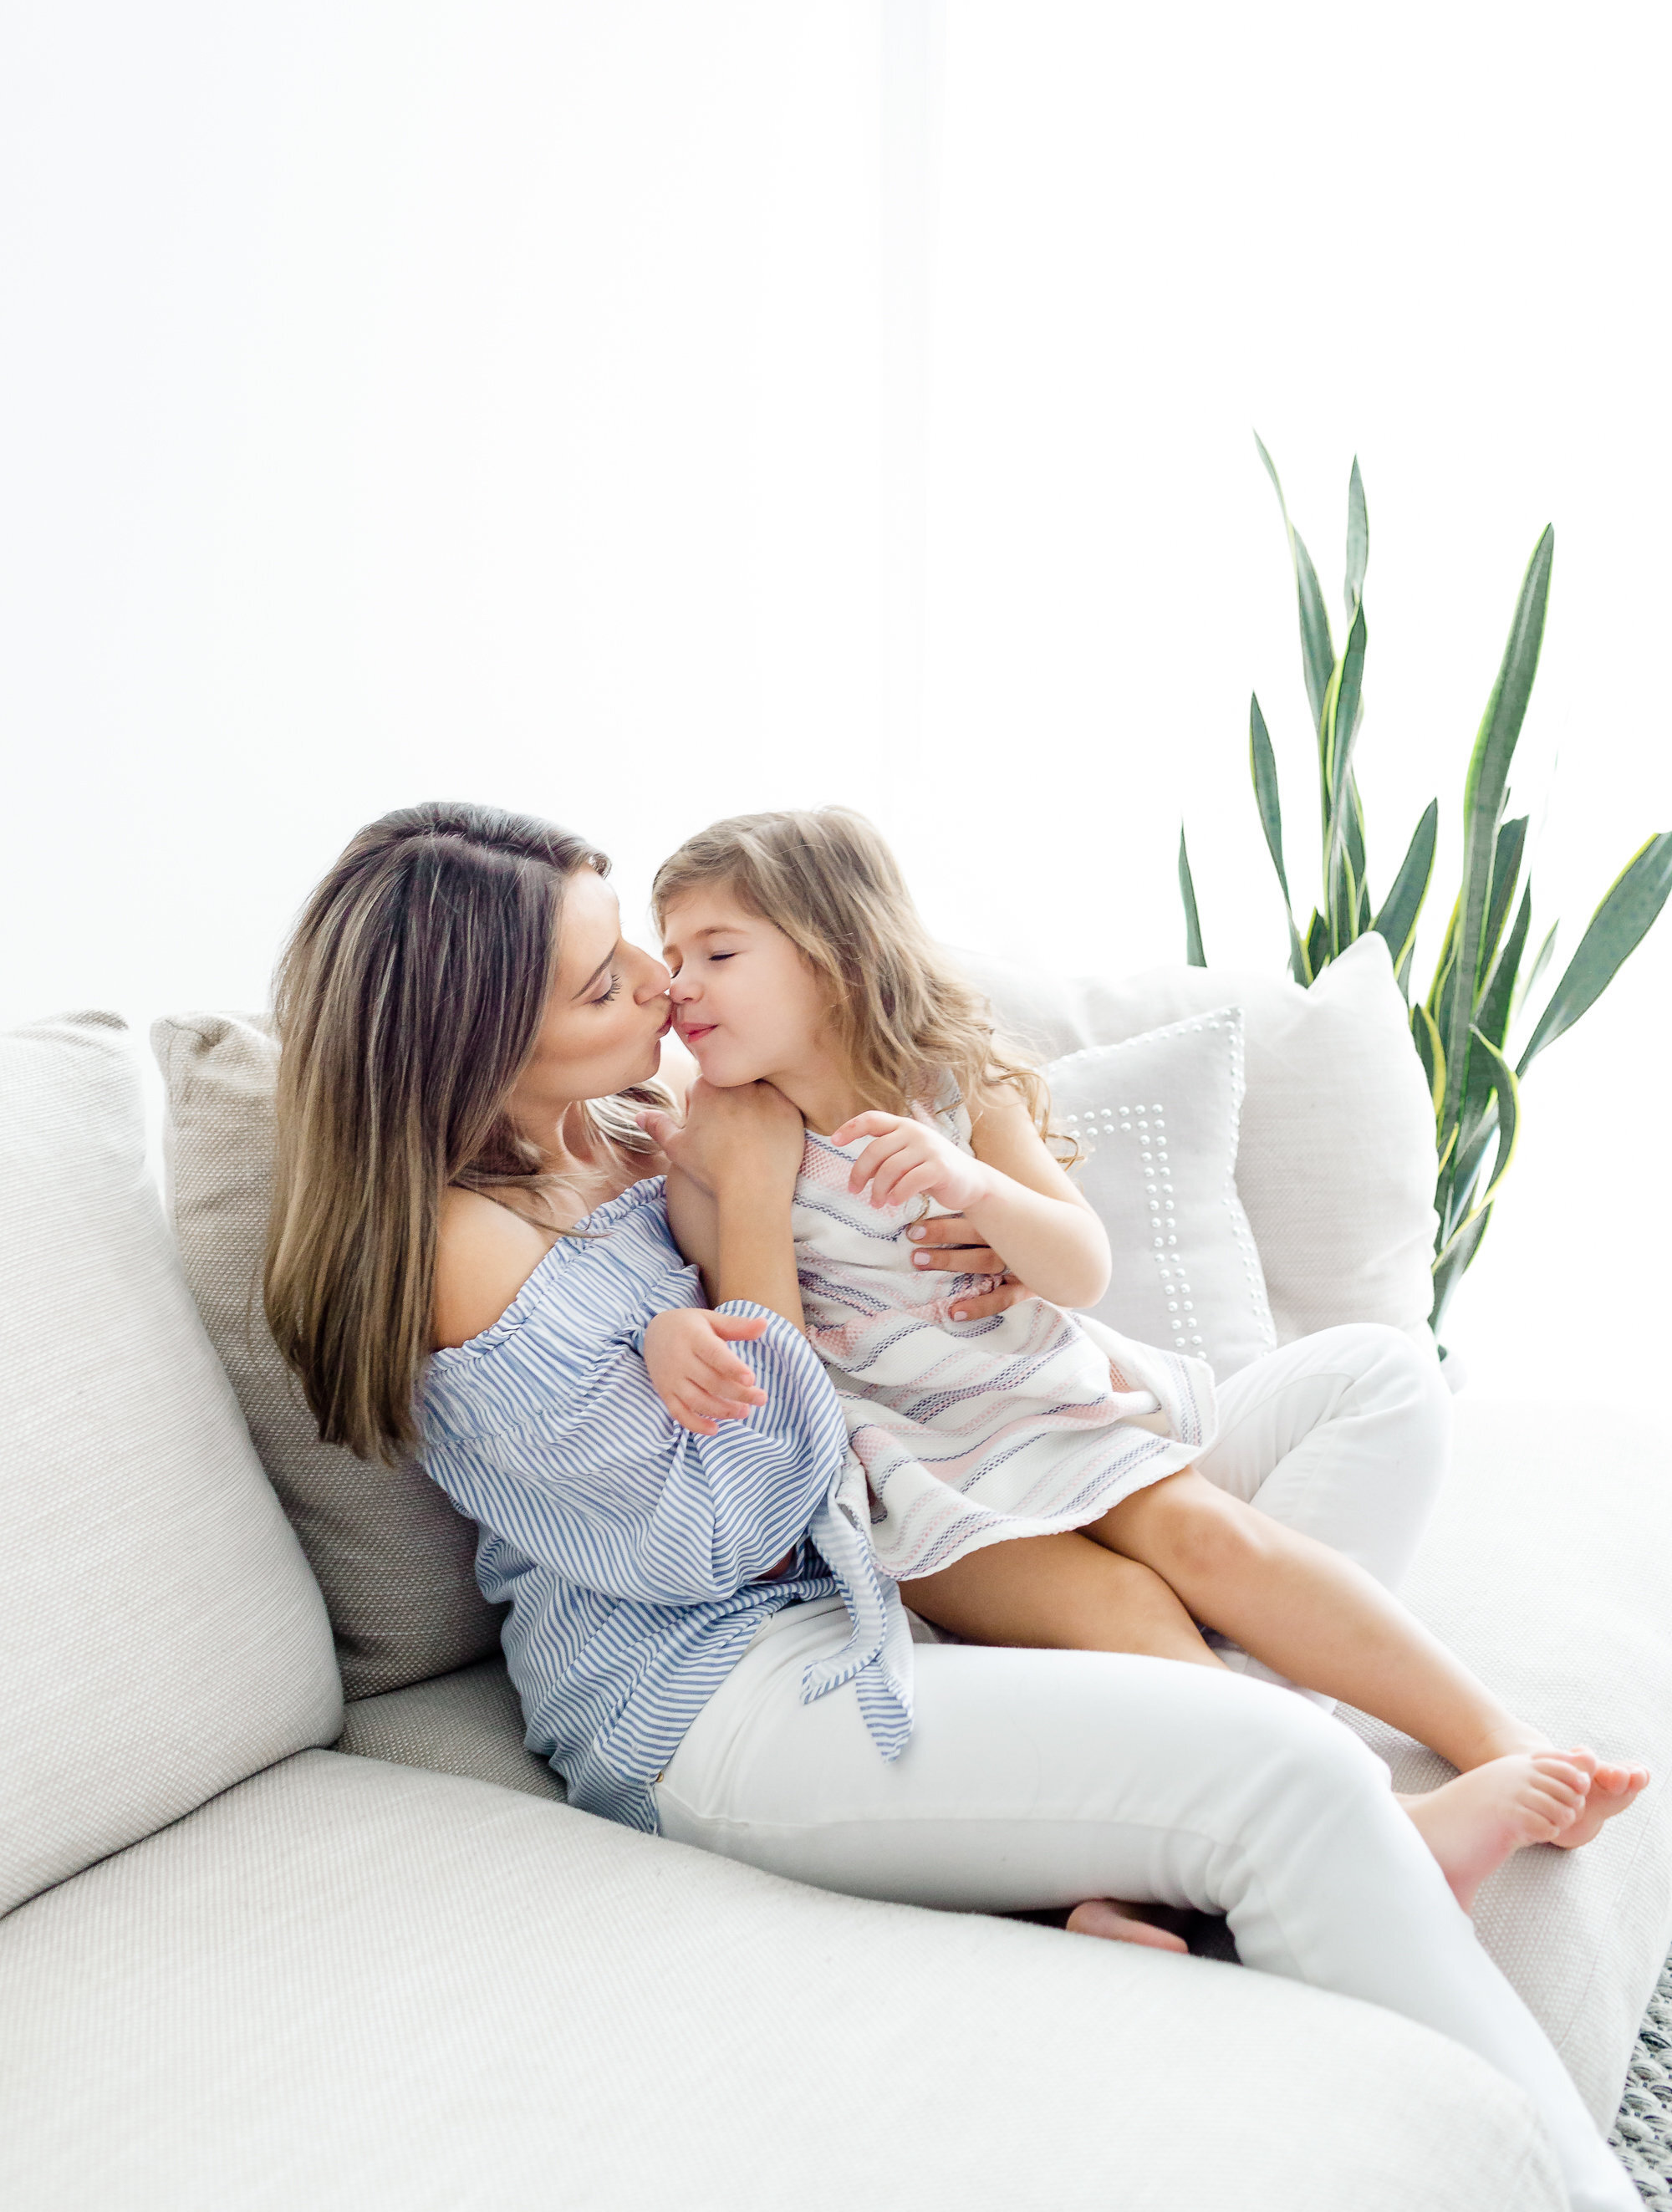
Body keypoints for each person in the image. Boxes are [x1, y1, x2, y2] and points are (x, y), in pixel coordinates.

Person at [265, 800, 1640, 2212]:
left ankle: (1124, 1830)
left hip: (902, 1525)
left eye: (643, 952)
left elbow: (882, 1139)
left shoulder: (606, 1124)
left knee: (1372, 1381)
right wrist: (750, 1206)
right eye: (608, 980)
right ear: (476, 1036)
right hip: (719, 1681)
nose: (657, 987)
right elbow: (726, 1531)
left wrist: (975, 1252)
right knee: (1282, 1773)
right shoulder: (464, 1251)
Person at [643, 805, 1645, 1919]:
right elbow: (773, 1382)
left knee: (1215, 1537)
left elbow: (1078, 1267)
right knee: (1119, 1606)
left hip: (1053, 1411)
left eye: (716, 953)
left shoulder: (954, 1086)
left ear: (836, 955)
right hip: (918, 1486)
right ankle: (1367, 1824)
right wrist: (752, 1180)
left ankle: (1500, 1737)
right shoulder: (720, 1144)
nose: (678, 982)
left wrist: (971, 1184)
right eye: (670, 954)